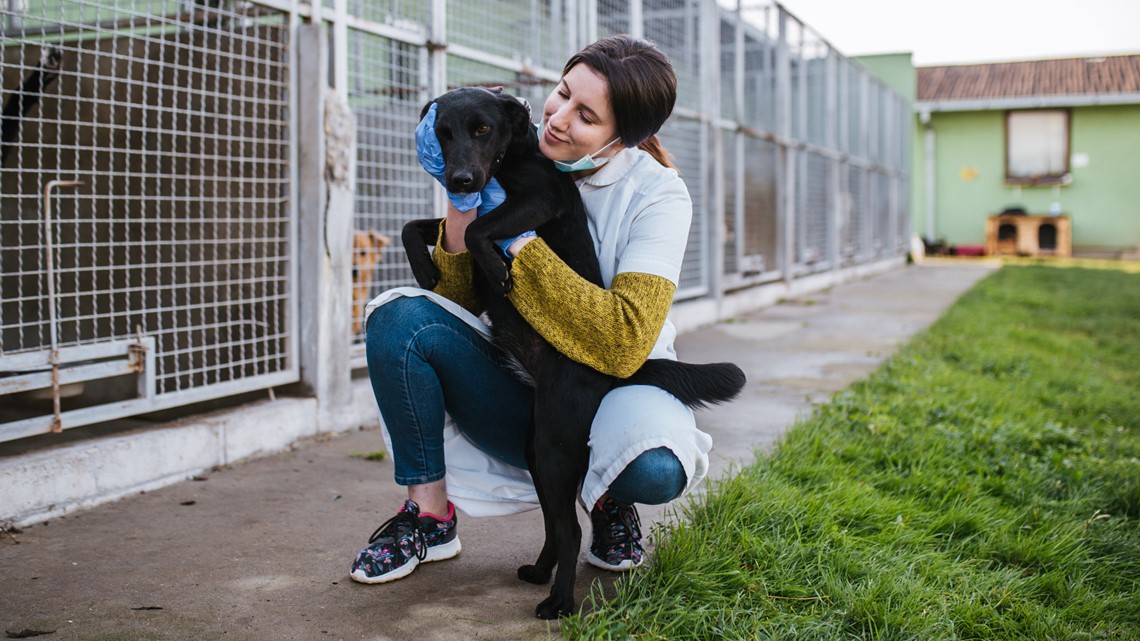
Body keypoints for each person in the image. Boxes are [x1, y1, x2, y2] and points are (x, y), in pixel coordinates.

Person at [350, 34, 712, 585]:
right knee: (400, 318)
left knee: (654, 468)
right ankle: (428, 516)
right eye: (561, 93)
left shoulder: (658, 196)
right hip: (516, 380)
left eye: (585, 115)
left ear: (623, 139)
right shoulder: (505, 149)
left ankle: (609, 498)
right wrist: (461, 197)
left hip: (610, 389)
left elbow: (623, 338)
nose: (558, 119)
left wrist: (515, 239)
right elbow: (456, 304)